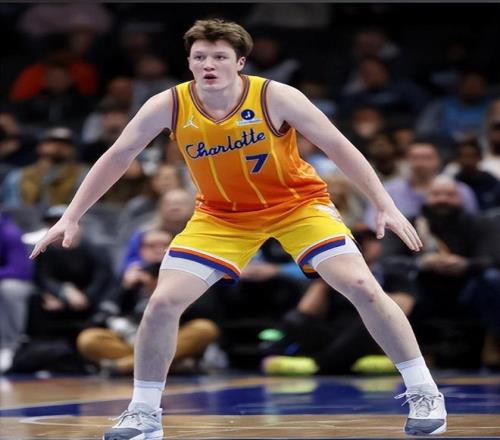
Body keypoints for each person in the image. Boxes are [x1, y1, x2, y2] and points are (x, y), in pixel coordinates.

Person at [30, 19, 447, 438]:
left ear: (240, 62)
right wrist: (71, 215)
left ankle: (424, 392)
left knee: (361, 285)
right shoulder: (169, 104)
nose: (208, 64)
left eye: (219, 57)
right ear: (189, 62)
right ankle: (143, 414)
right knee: (162, 303)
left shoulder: (275, 96)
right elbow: (118, 156)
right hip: (221, 215)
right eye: (200, 57)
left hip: (297, 205)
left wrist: (384, 203)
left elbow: (339, 146)